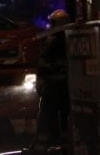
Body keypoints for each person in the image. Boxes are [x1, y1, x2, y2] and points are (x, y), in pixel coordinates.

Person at [29, 9, 70, 153]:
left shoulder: (52, 40)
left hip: (53, 87)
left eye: (52, 22)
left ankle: (42, 146)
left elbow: (44, 64)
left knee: (46, 116)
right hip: (64, 87)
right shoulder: (69, 37)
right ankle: (65, 144)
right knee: (64, 115)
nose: (50, 25)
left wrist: (41, 84)